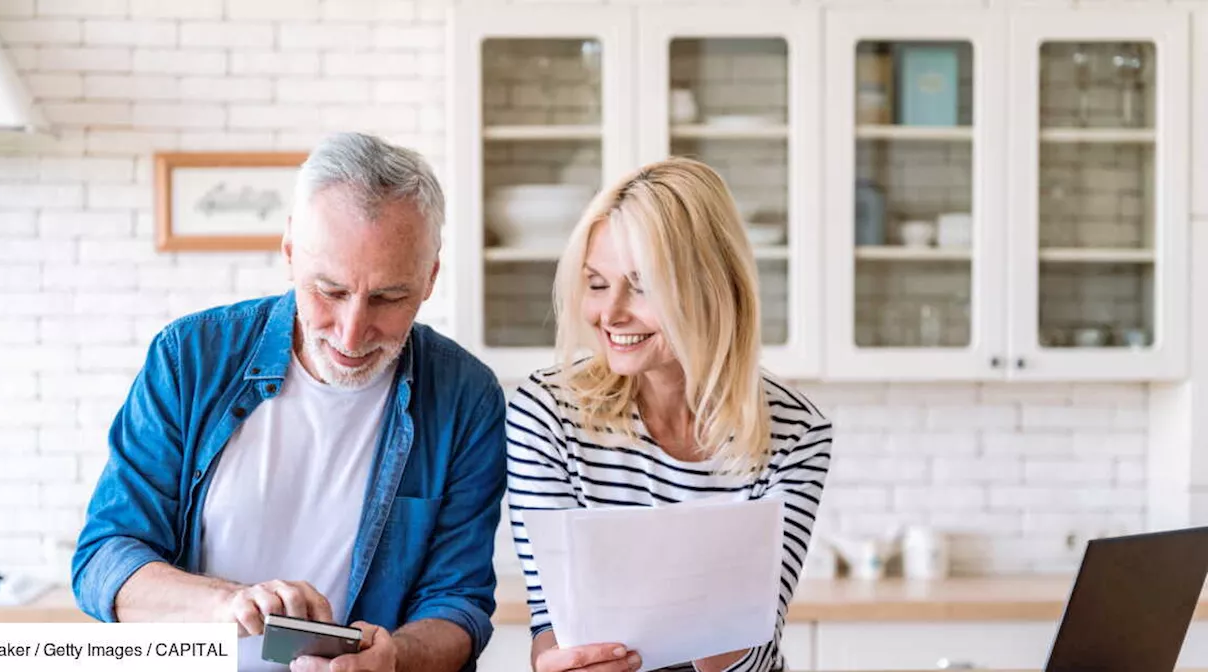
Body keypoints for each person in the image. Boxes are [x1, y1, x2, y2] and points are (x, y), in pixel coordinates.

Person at [72, 132, 508, 672]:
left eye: (389, 297)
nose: (351, 335)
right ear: (289, 253)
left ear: (430, 278)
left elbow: (459, 602)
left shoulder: (467, 397)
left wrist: (394, 659)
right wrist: (225, 604)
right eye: (330, 290)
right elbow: (104, 560)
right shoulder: (190, 358)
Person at [506, 157, 833, 672]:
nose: (611, 313)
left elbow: (754, 647)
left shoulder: (794, 431)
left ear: (711, 287)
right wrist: (564, 661)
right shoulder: (548, 415)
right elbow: (553, 625)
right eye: (596, 283)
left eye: (642, 285)